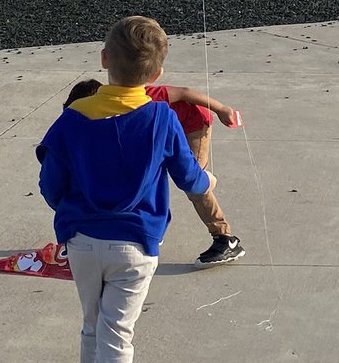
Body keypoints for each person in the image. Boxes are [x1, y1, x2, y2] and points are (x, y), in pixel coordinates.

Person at [37, 16, 215, 363]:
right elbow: (190, 178)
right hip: (136, 245)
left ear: (104, 59)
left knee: (91, 327)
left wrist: (69, 212)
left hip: (82, 241)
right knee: (117, 335)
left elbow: (50, 185)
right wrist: (209, 180)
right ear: (157, 74)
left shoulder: (73, 117)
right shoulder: (161, 117)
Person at [64, 77, 245, 268]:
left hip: (192, 124)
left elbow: (184, 92)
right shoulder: (111, 114)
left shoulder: (145, 98)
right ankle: (152, 229)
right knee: (146, 174)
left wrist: (221, 109)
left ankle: (225, 239)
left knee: (194, 184)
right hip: (162, 131)